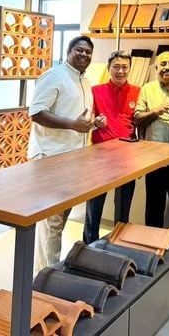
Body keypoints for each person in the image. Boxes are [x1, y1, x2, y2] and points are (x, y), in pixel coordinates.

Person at [28, 35, 95, 272]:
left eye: (88, 52)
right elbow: (36, 113)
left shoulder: (84, 81)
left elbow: (77, 117)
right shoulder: (54, 76)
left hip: (73, 158)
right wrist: (72, 125)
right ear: (69, 52)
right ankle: (46, 276)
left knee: (59, 219)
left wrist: (92, 124)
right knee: (52, 221)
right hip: (51, 157)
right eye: (79, 50)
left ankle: (45, 271)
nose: (84, 54)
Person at [83, 50, 140, 244]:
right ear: (109, 68)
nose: (120, 71)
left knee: (124, 208)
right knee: (94, 207)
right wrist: (95, 122)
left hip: (127, 158)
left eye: (125, 67)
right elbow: (87, 119)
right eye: (116, 67)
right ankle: (90, 246)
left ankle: (119, 244)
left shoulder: (137, 91)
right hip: (99, 157)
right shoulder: (95, 90)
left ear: (130, 69)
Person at [134, 51, 169, 228]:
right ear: (156, 68)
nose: (167, 67)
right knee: (154, 207)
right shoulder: (147, 89)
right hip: (154, 159)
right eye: (163, 64)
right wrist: (156, 111)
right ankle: (152, 244)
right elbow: (137, 119)